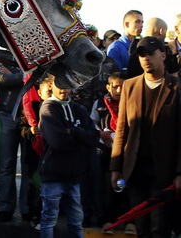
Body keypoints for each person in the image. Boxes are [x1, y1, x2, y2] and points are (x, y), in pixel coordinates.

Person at [110, 36, 181, 238]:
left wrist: (179, 172)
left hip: (164, 171)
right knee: (141, 228)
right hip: (135, 168)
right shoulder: (129, 86)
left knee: (160, 228)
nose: (146, 58)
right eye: (142, 55)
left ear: (163, 55)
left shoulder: (176, 87)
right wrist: (115, 167)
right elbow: (122, 128)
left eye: (151, 53)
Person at [38, 79, 100, 238]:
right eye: (60, 85)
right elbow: (58, 141)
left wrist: (73, 132)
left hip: (75, 173)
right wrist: (81, 136)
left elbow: (94, 137)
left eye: (67, 85)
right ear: (51, 85)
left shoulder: (78, 108)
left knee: (76, 220)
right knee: (49, 218)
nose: (64, 89)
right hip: (54, 173)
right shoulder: (48, 108)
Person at [90, 72, 136, 235]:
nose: (118, 90)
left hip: (127, 152)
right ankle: (108, 219)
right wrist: (101, 134)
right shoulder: (100, 104)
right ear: (108, 87)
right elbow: (92, 124)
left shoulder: (132, 103)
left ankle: (130, 221)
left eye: (122, 87)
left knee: (128, 186)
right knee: (107, 186)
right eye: (115, 86)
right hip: (106, 152)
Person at [0, 58, 30, 222]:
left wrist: (13, 77)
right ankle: (6, 208)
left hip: (29, 118)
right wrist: (23, 76)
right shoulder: (2, 57)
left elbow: (39, 80)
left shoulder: (34, 59)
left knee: (28, 165)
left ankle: (27, 208)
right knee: (6, 165)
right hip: (6, 116)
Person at [20, 73, 53, 230]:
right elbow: (22, 128)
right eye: (48, 92)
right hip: (35, 153)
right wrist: (31, 131)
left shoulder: (57, 107)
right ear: (39, 92)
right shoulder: (31, 107)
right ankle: (35, 215)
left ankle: (47, 215)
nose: (51, 95)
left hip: (52, 154)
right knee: (35, 186)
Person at [106, 10, 143, 74]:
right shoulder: (115, 48)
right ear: (127, 24)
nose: (141, 25)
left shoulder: (142, 46)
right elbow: (115, 77)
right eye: (137, 21)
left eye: (142, 22)